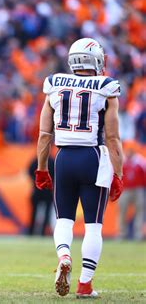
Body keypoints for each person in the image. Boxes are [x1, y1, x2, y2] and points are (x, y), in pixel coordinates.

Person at [36, 38, 124, 298]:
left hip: (63, 158)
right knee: (93, 225)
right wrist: (118, 172)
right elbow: (112, 138)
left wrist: (42, 168)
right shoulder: (106, 86)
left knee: (63, 219)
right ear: (96, 59)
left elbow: (44, 134)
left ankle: (64, 255)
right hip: (92, 158)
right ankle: (85, 284)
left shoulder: (55, 84)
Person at [118, 143, 144, 240]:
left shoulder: (140, 161)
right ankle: (122, 234)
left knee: (139, 212)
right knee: (122, 212)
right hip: (125, 189)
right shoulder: (122, 161)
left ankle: (138, 234)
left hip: (138, 189)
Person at [27, 154, 54, 236]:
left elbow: (30, 171)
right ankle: (41, 233)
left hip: (39, 190)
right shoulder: (51, 161)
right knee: (44, 213)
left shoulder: (37, 160)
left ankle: (32, 232)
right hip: (46, 190)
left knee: (35, 213)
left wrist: (36, 181)